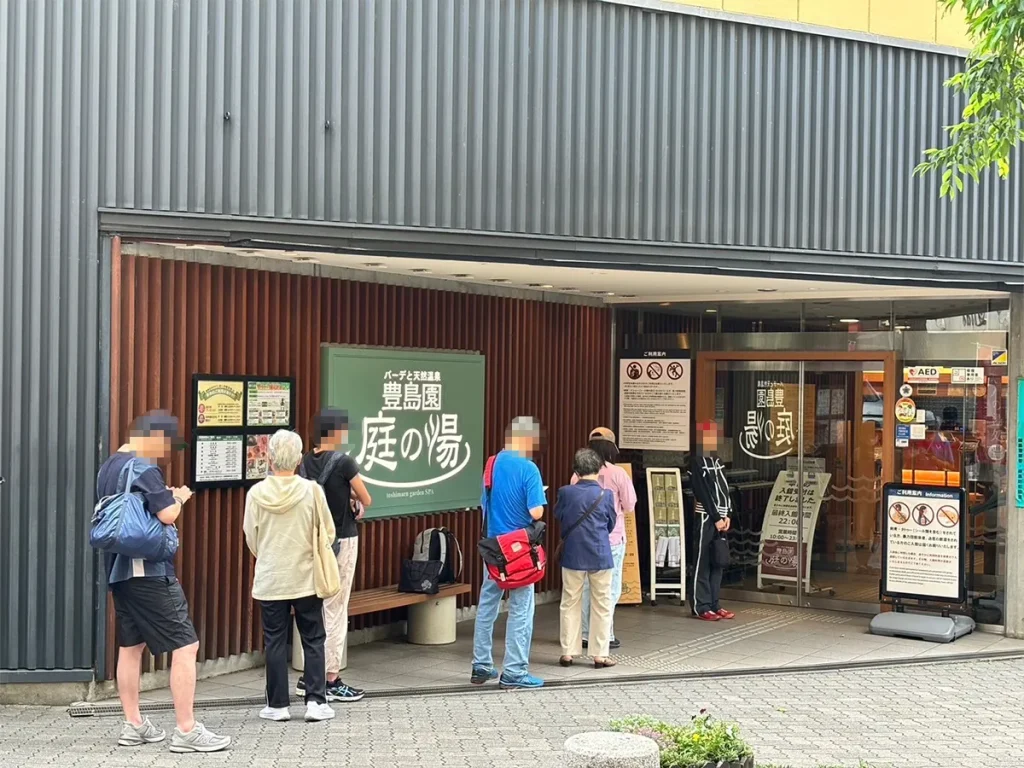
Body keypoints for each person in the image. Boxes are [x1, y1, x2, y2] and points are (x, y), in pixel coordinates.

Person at [96, 411, 230, 753]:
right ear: (153, 437)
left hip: (118, 571)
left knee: (131, 647)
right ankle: (186, 730)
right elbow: (166, 514)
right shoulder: (144, 467)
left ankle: (134, 725)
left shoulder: (110, 466)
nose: (165, 453)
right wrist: (179, 498)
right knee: (186, 646)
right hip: (148, 571)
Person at [243, 430, 336, 723]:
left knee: (274, 640)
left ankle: (278, 705)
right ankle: (315, 701)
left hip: (271, 577)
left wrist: (269, 554)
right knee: (313, 638)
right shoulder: (312, 491)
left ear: (269, 459)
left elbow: (251, 537)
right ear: (298, 460)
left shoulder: (256, 494)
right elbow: (328, 532)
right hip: (306, 576)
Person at [296, 409, 372, 703]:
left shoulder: (302, 464)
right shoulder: (344, 462)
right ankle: (330, 678)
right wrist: (352, 498)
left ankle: (309, 675)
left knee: (313, 605)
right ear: (335, 433)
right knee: (336, 608)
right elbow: (366, 498)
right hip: (341, 540)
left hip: (311, 543)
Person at [471, 416, 547, 689]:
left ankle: (481, 665)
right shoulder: (529, 469)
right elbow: (536, 512)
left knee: (487, 603)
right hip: (519, 551)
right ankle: (514, 671)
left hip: (493, 547)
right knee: (521, 608)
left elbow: (484, 504)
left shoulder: (491, 464)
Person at [571, 427, 636, 651]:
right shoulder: (618, 474)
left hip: (582, 540)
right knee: (610, 588)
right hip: (612, 539)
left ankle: (586, 634)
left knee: (587, 588)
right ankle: (606, 634)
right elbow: (629, 505)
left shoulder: (577, 475)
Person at [556, 448, 618, 668]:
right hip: (600, 554)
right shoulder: (606, 494)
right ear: (598, 469)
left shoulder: (565, 492)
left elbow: (560, 517)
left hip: (573, 554)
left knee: (570, 601)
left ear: (576, 470)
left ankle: (568, 652)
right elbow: (611, 524)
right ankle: (599, 655)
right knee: (602, 603)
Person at [691, 421, 735, 622]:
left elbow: (726, 487)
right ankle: (701, 606)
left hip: (721, 518)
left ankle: (715, 603)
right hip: (706, 517)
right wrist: (716, 517)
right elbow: (702, 492)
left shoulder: (717, 460)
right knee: (702, 561)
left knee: (718, 560)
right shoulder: (697, 461)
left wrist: (728, 514)